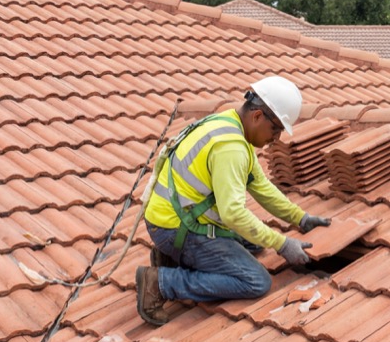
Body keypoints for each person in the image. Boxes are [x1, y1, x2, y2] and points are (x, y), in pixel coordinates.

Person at [136, 76, 331, 326]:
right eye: (276, 129)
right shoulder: (231, 148)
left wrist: (299, 218)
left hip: (174, 217)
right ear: (258, 116)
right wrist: (282, 244)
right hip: (175, 227)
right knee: (255, 281)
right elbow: (233, 214)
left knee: (253, 243)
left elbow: (261, 186)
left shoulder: (231, 124)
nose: (277, 138)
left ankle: (173, 258)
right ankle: (161, 283)